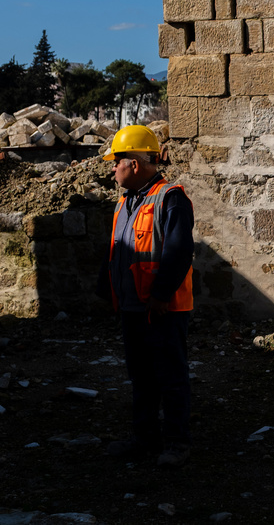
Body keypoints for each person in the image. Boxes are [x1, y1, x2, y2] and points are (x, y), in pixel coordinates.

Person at [97, 124, 195, 468]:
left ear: (134, 164)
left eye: (116, 161)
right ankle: (144, 437)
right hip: (133, 307)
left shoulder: (171, 198)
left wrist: (161, 296)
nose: (112, 168)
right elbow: (119, 254)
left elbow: (180, 252)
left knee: (170, 376)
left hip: (162, 309)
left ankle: (176, 443)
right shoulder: (125, 203)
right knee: (141, 376)